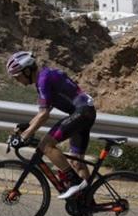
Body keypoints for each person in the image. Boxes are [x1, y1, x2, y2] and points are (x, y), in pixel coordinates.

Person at [6, 51, 96, 200]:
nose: (18, 81)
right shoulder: (44, 77)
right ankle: (87, 204)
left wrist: (25, 135)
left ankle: (74, 183)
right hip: (84, 113)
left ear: (27, 71)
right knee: (76, 162)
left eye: (17, 77)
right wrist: (27, 126)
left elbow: (44, 115)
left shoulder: (44, 79)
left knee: (46, 145)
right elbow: (43, 111)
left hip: (82, 113)